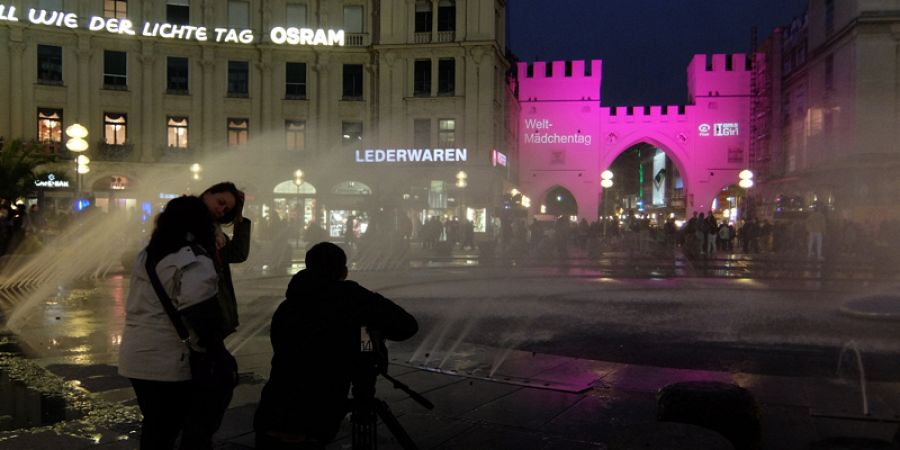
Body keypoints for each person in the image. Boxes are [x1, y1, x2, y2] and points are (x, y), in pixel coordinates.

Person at [254, 242, 418, 449]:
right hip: (319, 415)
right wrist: (371, 332)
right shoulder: (355, 302)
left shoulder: (288, 305)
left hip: (273, 411)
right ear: (344, 271)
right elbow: (407, 326)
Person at [118, 196, 229, 449]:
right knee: (168, 426)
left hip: (134, 354)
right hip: (167, 359)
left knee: (155, 424)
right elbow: (199, 312)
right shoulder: (194, 261)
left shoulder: (148, 254)